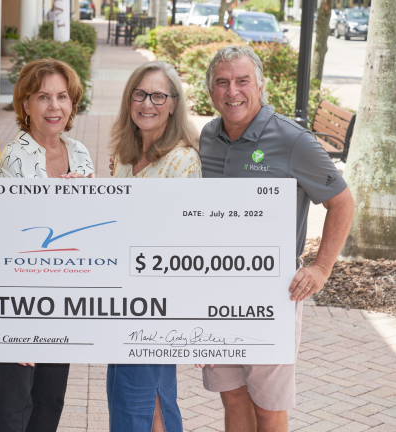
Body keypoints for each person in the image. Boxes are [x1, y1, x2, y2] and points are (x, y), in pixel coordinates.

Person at [198, 45, 355, 431]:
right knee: (232, 395)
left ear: (260, 86)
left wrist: (321, 268)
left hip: (271, 291)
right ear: (210, 91)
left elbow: (343, 203)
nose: (232, 91)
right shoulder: (209, 137)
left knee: (268, 406)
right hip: (218, 289)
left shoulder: (293, 140)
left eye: (242, 81)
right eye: (222, 82)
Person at [0, 58, 93, 432]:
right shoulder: (14, 159)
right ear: (25, 105)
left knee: (51, 400)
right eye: (43, 97)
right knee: (16, 403)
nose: (54, 107)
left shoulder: (79, 153)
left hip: (64, 298)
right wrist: (19, 330)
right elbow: (4, 242)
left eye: (62, 97)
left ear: (73, 103)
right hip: (20, 299)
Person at [107, 61, 201, 432]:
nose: (148, 103)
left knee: (147, 401)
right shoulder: (125, 157)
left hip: (156, 304)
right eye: (140, 93)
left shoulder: (182, 159)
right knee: (129, 400)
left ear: (174, 104)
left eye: (159, 95)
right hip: (122, 300)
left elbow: (184, 243)